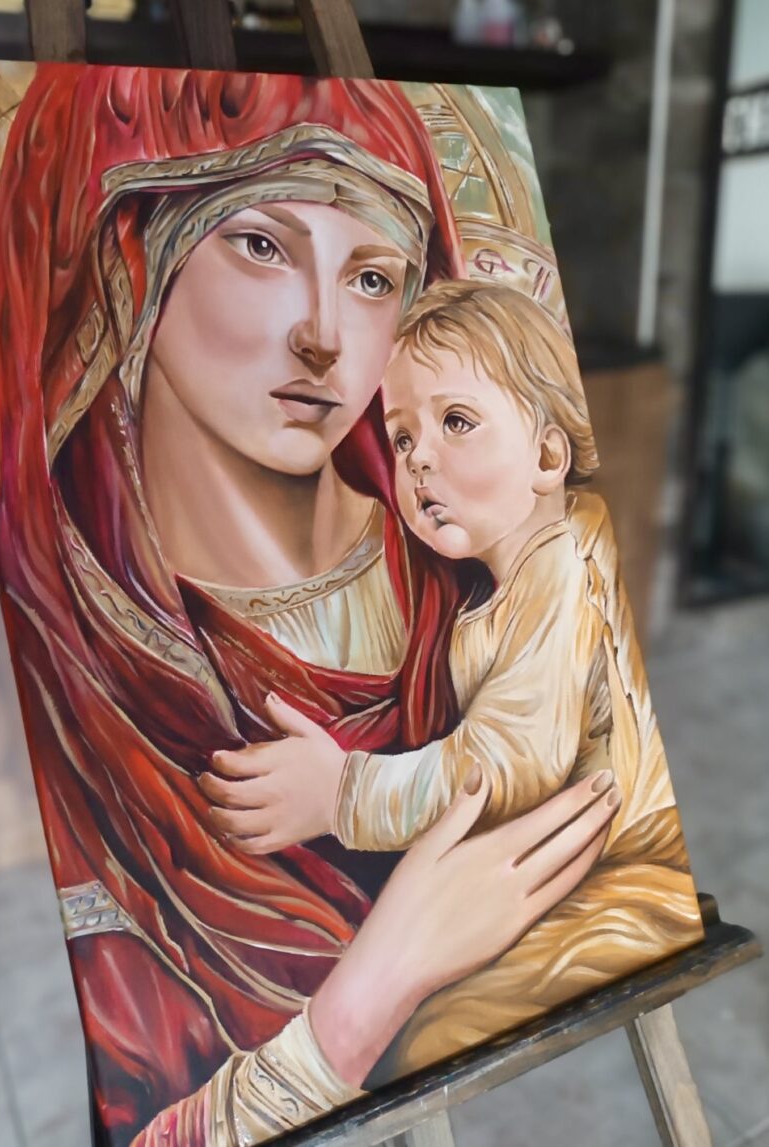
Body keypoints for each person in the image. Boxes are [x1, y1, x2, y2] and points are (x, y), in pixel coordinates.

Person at [0, 66, 621, 1146]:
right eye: (261, 247)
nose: (324, 335)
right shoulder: (61, 652)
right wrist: (367, 994)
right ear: (129, 266)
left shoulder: (481, 560)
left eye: (373, 278)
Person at [205, 280, 704, 1078]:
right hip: (571, 878)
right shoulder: (505, 587)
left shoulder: (558, 574)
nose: (419, 458)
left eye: (456, 422)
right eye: (401, 438)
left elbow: (503, 769)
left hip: (609, 893)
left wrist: (341, 794)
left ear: (548, 456)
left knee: (419, 1042)